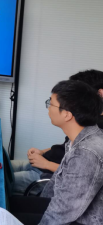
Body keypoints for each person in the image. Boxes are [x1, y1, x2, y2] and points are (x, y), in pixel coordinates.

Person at [11, 69, 103, 195]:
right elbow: (66, 146)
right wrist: (43, 152)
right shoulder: (82, 125)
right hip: (41, 163)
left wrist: (46, 164)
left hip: (46, 174)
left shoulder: (93, 138)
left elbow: (79, 174)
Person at [38, 80, 103, 224]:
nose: (48, 108)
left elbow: (64, 210)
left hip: (79, 220)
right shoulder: (79, 139)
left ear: (67, 115)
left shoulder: (86, 153)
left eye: (51, 103)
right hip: (63, 210)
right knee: (11, 205)